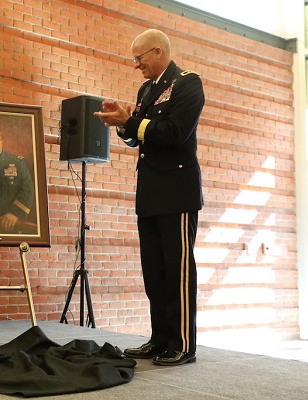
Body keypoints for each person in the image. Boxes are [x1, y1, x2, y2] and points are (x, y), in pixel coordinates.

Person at [95, 29, 204, 366]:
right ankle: (159, 340)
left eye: (139, 58)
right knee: (154, 271)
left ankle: (182, 343)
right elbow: (140, 138)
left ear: (157, 52)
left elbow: (173, 134)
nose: (135, 65)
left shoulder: (188, 83)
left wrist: (134, 121)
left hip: (177, 192)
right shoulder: (146, 89)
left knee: (178, 270)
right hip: (151, 194)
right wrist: (122, 124)